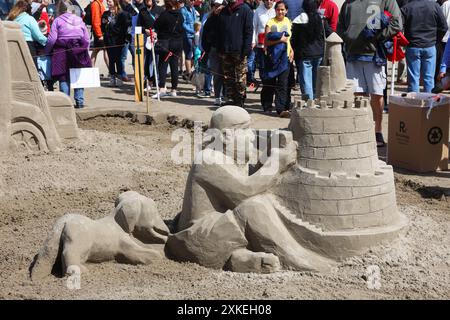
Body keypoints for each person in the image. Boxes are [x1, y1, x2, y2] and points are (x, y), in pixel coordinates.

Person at [168, 105, 335, 272]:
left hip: (221, 228)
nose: (251, 136)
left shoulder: (234, 156)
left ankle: (239, 259)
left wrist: (267, 159)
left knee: (260, 202)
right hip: (200, 235)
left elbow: (249, 180)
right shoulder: (208, 159)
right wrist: (276, 164)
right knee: (254, 206)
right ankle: (294, 258)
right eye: (245, 129)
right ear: (226, 136)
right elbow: (243, 192)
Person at [338, 0, 402, 148]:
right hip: (352, 55)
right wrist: (347, 37)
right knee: (355, 94)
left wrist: (378, 36)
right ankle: (358, 129)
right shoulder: (348, 3)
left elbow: (397, 23)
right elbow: (341, 26)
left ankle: (377, 131)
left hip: (374, 55)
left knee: (377, 95)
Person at [45, 0, 91, 108]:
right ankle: (79, 102)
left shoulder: (57, 20)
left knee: (63, 76)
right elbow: (87, 39)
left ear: (59, 10)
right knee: (77, 75)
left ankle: (64, 104)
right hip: (78, 50)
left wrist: (47, 51)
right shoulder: (79, 20)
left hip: (61, 51)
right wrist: (85, 51)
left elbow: (52, 39)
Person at [401, 0, 447, 93]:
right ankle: (429, 105)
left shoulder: (407, 8)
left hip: (413, 45)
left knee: (414, 78)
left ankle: (414, 104)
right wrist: (436, 40)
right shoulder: (435, 6)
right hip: (429, 45)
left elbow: (399, 27)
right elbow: (444, 27)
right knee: (429, 78)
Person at [291, 0, 333, 101]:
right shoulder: (321, 19)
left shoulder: (299, 20)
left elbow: (294, 39)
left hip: (304, 54)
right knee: (316, 80)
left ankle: (308, 102)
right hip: (319, 53)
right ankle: (316, 99)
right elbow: (330, 33)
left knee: (306, 80)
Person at [216, 0, 254, 108]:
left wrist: (246, 49)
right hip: (225, 50)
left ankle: (240, 100)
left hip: (239, 51)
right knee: (228, 77)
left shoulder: (245, 9)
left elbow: (249, 30)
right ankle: (231, 99)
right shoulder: (223, 11)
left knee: (240, 78)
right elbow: (219, 31)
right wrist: (219, 47)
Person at [261, 1, 292, 117]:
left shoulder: (288, 22)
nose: (280, 12)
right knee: (269, 82)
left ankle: (281, 109)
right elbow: (266, 41)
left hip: (285, 57)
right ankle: (267, 106)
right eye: (278, 9)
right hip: (272, 57)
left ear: (286, 11)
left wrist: (291, 50)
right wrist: (280, 40)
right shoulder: (270, 22)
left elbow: (288, 40)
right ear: (275, 10)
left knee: (283, 83)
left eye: (283, 9)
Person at [152, 0, 184, 98]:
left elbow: (155, 26)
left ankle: (162, 89)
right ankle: (174, 90)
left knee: (163, 65)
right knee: (174, 66)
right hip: (178, 43)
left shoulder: (164, 14)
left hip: (166, 43)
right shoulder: (180, 15)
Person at [7, 0, 48, 68]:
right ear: (28, 9)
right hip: (27, 47)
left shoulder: (9, 19)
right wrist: (49, 42)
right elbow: (39, 37)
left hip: (11, 47)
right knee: (31, 71)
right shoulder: (29, 19)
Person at [102, 0, 132, 87]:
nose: (108, 3)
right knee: (111, 59)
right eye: (107, 1)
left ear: (115, 2)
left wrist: (111, 24)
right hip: (109, 40)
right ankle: (112, 77)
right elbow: (103, 27)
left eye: (110, 1)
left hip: (119, 40)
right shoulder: (105, 13)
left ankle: (119, 77)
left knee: (119, 59)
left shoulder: (122, 14)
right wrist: (106, 24)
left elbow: (124, 27)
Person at [201, 0, 225, 106]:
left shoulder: (227, 17)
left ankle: (226, 95)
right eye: (215, 6)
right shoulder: (209, 19)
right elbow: (204, 35)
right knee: (217, 74)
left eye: (219, 5)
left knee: (227, 75)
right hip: (214, 50)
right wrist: (207, 48)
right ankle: (217, 96)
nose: (217, 8)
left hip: (226, 50)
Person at [252, 0, 275, 84]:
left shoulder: (277, 9)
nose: (269, 2)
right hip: (261, 43)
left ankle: (271, 82)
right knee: (262, 65)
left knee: (273, 64)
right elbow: (254, 26)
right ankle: (265, 81)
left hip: (274, 43)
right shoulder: (258, 11)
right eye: (267, 0)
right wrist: (253, 41)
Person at [138, 0, 158, 91]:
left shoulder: (159, 10)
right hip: (146, 38)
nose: (148, 1)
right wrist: (144, 30)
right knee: (147, 60)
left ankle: (158, 82)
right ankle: (148, 81)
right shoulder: (142, 11)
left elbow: (163, 24)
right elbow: (138, 26)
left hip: (157, 38)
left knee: (157, 61)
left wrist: (156, 33)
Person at [90, 0, 109, 69]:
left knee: (96, 50)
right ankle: (111, 71)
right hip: (99, 32)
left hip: (99, 31)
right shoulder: (96, 4)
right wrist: (99, 35)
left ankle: (91, 69)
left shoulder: (99, 2)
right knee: (105, 50)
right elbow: (95, 20)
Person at [180, 0, 196, 78]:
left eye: (193, 0)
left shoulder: (193, 9)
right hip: (187, 35)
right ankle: (189, 75)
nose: (192, 2)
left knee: (196, 54)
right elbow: (183, 24)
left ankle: (187, 72)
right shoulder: (183, 10)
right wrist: (192, 31)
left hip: (194, 35)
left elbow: (195, 21)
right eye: (191, 0)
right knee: (188, 54)